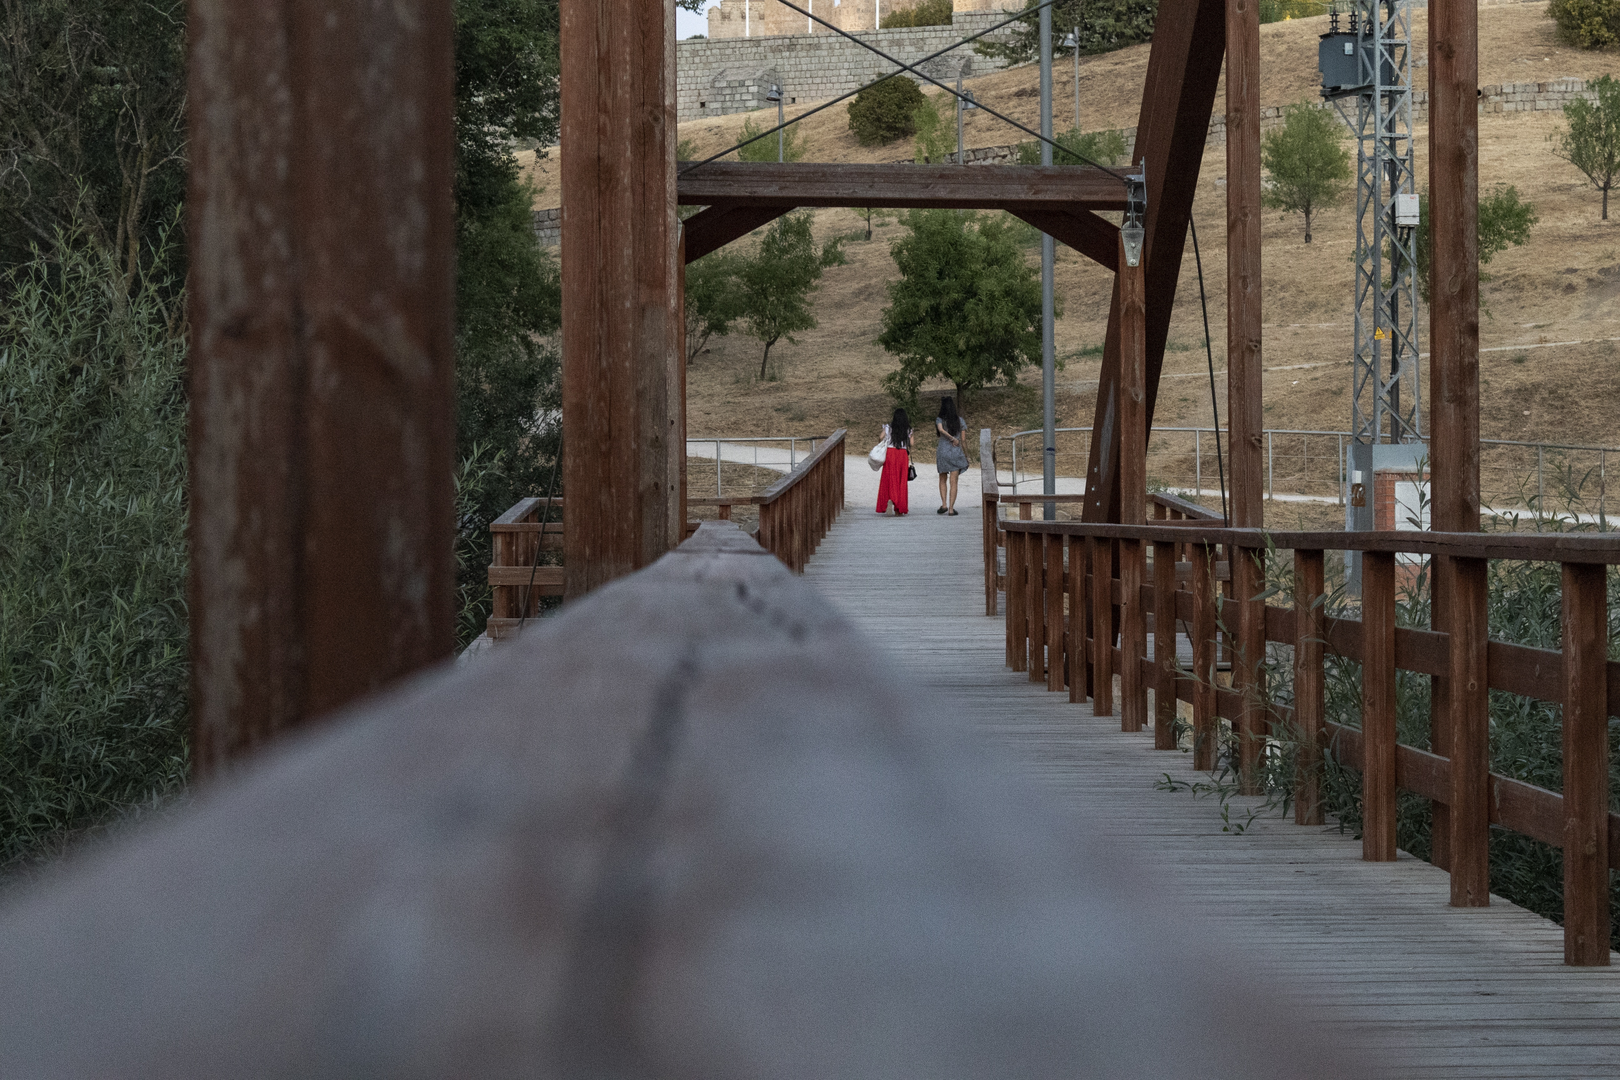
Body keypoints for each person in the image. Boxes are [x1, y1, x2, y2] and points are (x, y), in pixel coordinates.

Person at [935, 396, 969, 515]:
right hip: (956, 452)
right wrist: (967, 454)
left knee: (942, 479)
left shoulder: (939, 419)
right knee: (954, 481)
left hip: (943, 452)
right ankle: (951, 509)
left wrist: (949, 438)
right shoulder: (960, 420)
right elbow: (963, 440)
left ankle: (944, 504)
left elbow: (940, 430)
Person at [875, 407, 912, 515]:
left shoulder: (888, 427)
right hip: (902, 455)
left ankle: (889, 499)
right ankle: (899, 507)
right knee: (901, 480)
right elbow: (912, 443)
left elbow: (880, 437)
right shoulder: (908, 429)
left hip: (890, 453)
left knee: (889, 478)